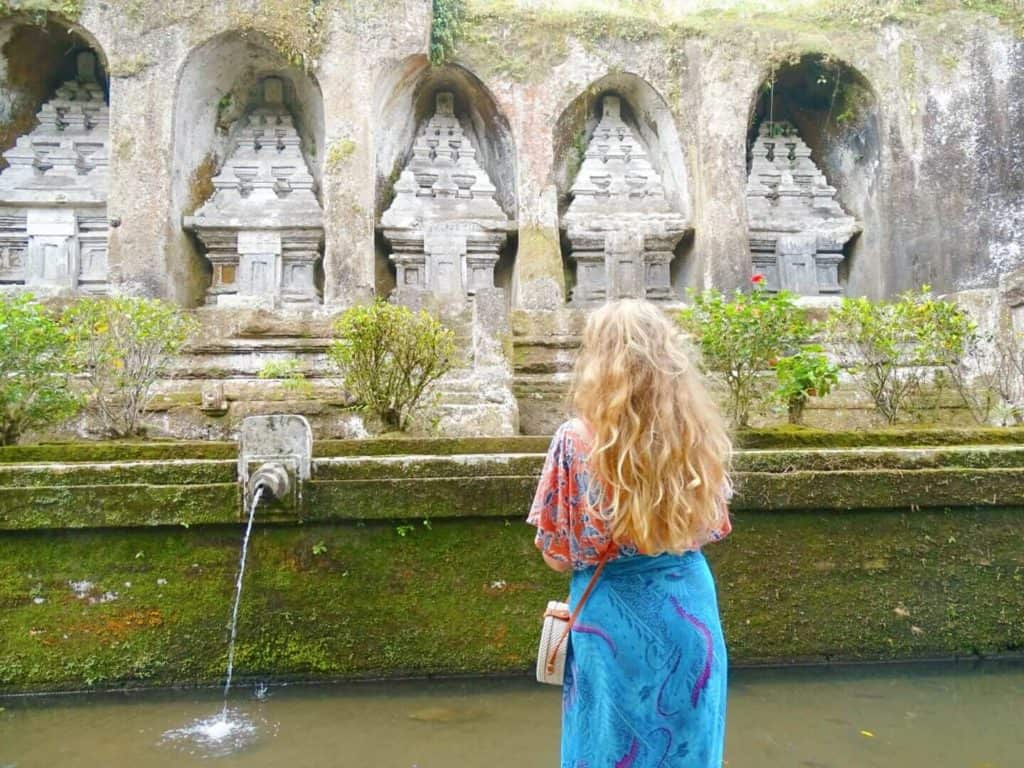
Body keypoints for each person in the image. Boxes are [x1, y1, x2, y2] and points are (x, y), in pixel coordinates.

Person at [527, 299, 732, 768]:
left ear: (598, 362)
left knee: (610, 749)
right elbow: (714, 526)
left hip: (611, 624)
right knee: (687, 749)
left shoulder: (576, 440)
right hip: (689, 613)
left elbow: (558, 556)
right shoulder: (697, 434)